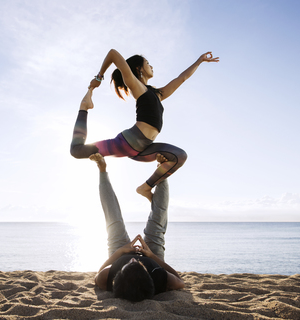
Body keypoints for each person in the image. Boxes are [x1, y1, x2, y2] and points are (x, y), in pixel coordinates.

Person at [70, 49, 219, 201]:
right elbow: (112, 54)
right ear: (138, 69)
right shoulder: (136, 86)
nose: (151, 66)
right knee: (76, 151)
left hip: (143, 149)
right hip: (128, 143)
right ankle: (84, 106)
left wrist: (199, 61)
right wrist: (99, 77)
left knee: (179, 157)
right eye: (147, 63)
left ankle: (145, 187)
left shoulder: (158, 94)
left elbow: (182, 78)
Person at [91, 153, 185, 302]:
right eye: (137, 263)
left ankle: (102, 169)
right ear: (148, 274)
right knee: (158, 221)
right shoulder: (159, 277)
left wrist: (121, 251)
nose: (134, 259)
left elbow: (97, 274)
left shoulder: (106, 278)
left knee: (113, 219)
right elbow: (180, 281)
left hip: (119, 253)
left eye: (130, 263)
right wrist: (151, 256)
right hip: (153, 257)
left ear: (118, 274)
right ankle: (161, 169)